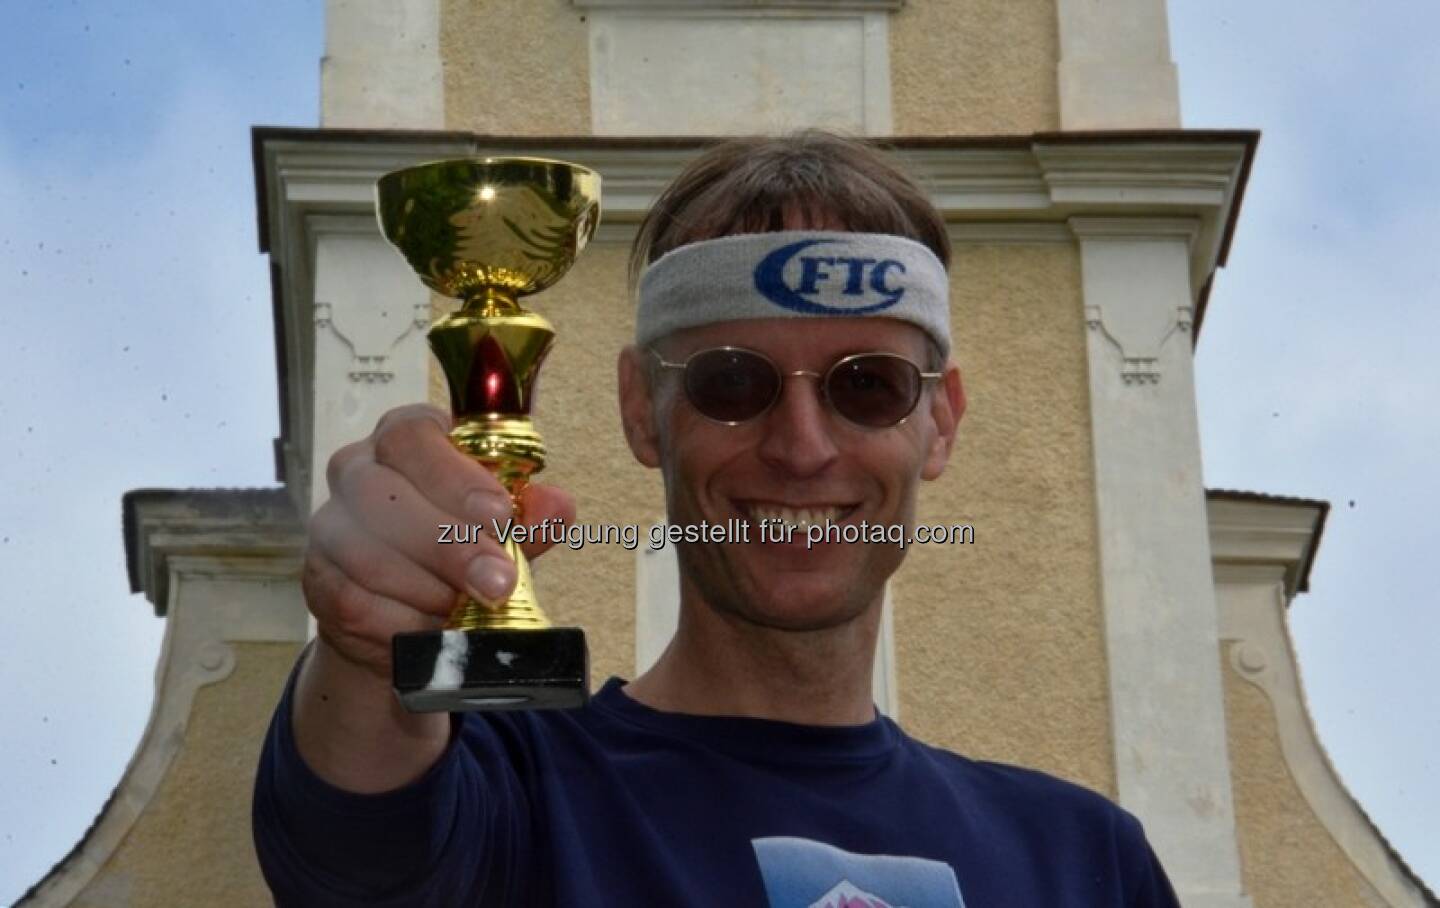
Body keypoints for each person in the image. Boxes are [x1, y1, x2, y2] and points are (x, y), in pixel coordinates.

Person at [253, 131, 1181, 907]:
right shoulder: (509, 797)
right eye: (732, 381)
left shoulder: (1083, 861)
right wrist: (365, 653)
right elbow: (353, 839)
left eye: (869, 386)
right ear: (639, 408)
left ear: (939, 421)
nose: (803, 445)